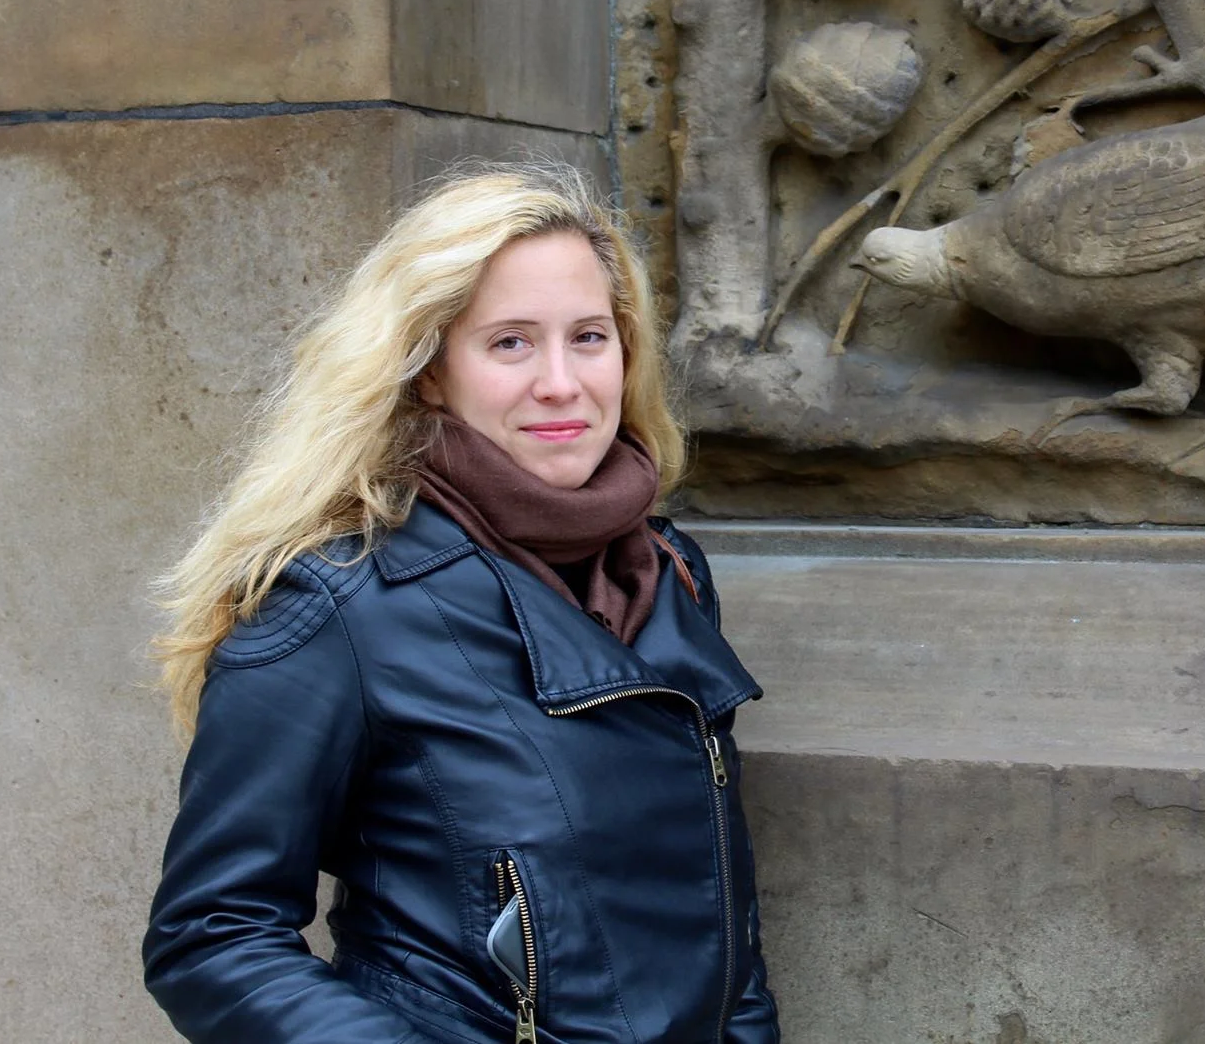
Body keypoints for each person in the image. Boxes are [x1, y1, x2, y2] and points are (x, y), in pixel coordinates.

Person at [143, 167, 776, 1043]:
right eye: (511, 343)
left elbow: (722, 925)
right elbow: (212, 936)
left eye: (589, 336)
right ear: (431, 371)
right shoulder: (337, 600)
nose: (561, 381)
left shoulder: (667, 569)